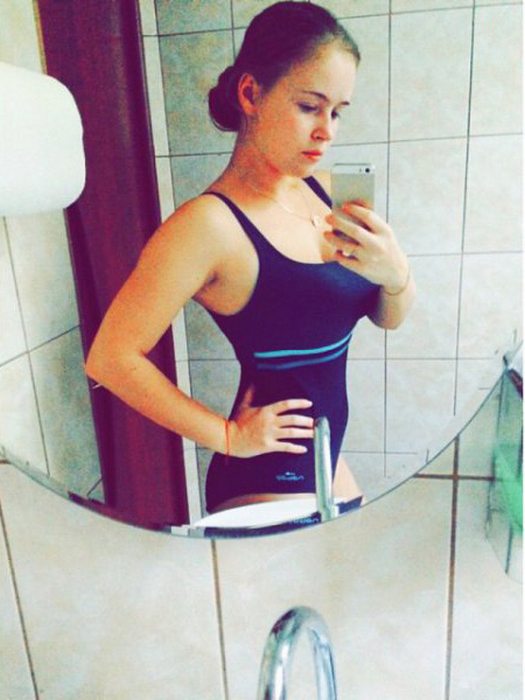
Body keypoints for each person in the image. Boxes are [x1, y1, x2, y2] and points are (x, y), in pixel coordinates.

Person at [85, 1, 415, 516]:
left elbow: (386, 317)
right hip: (266, 475)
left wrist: (396, 275)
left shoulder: (326, 194)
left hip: (327, 460)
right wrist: (227, 436)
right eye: (309, 106)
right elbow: (110, 358)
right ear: (250, 94)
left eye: (337, 112)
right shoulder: (208, 226)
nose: (327, 130)